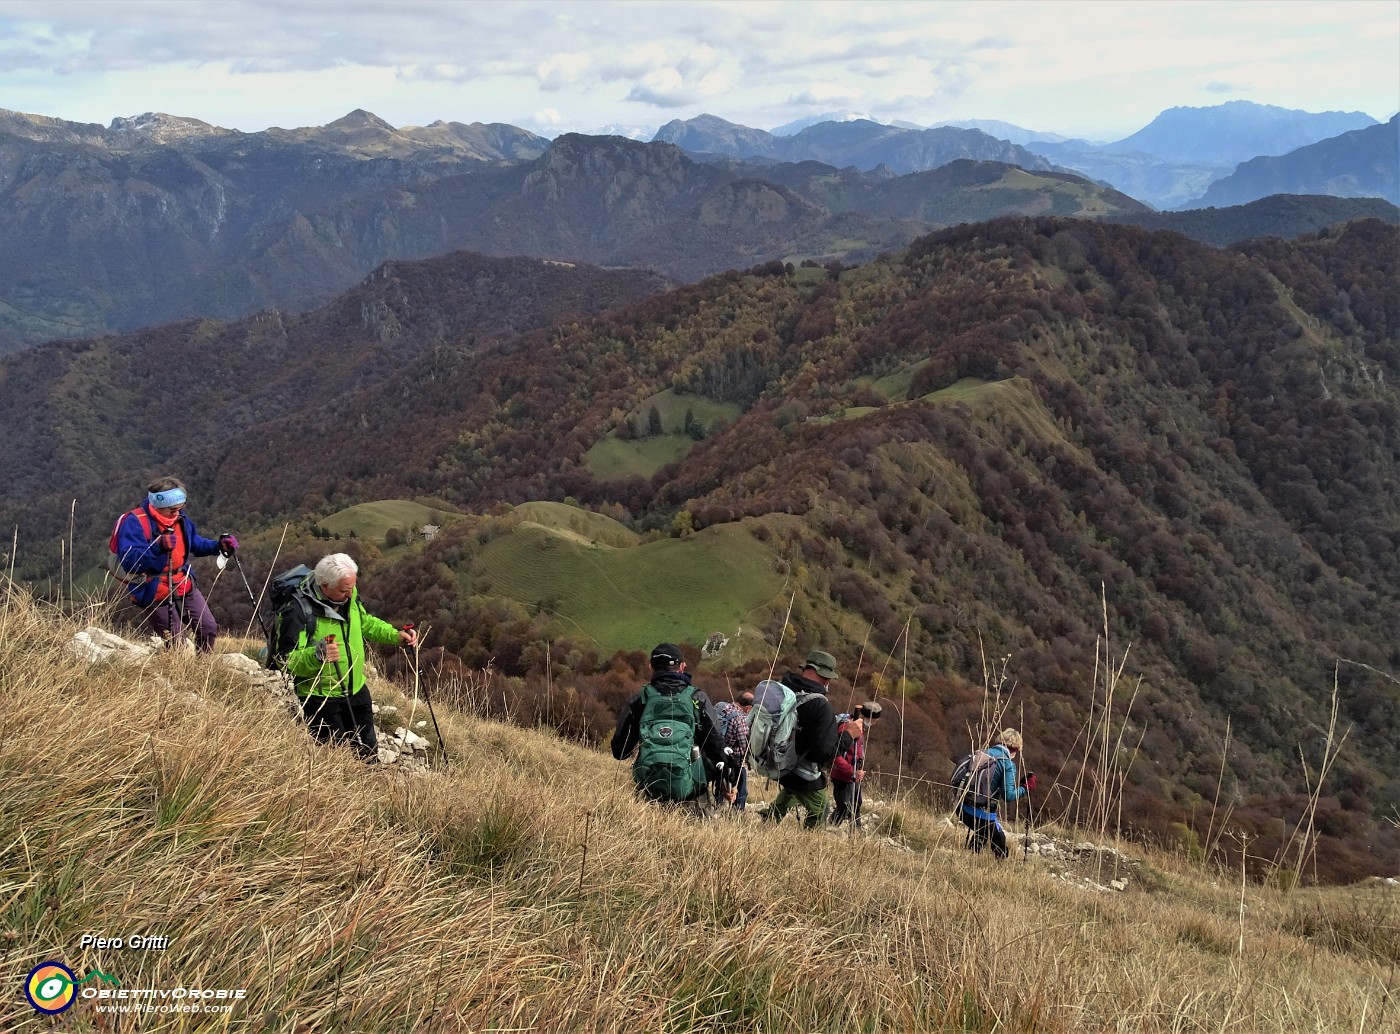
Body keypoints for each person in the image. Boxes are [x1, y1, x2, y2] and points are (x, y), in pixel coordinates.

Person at [283, 553, 417, 763]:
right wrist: (317, 655)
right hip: (321, 697)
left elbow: (365, 622)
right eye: (344, 590)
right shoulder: (298, 611)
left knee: (368, 751)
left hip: (355, 688)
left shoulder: (350, 597)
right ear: (324, 585)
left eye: (352, 587)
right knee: (334, 758)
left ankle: (371, 785)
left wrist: (395, 636)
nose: (349, 594)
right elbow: (286, 660)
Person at [110, 476, 238, 653]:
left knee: (208, 628)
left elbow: (193, 543)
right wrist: (158, 547)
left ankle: (203, 670)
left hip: (182, 582)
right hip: (153, 589)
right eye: (172, 510)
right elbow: (130, 562)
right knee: (177, 642)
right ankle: (177, 674)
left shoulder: (179, 518)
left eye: (180, 508)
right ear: (157, 505)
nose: (176, 513)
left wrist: (218, 546)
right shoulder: (135, 522)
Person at [611, 643, 731, 809]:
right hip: (691, 793)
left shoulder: (639, 699)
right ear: (682, 667)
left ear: (651, 666)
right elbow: (717, 747)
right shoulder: (698, 698)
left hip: (648, 793)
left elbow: (620, 752)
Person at [763, 649, 841, 829]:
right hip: (801, 770)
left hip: (776, 761)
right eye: (828, 676)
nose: (829, 681)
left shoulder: (783, 691)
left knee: (791, 791)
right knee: (820, 808)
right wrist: (846, 736)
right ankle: (809, 843)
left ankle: (768, 820)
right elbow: (821, 753)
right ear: (824, 675)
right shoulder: (820, 705)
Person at [958, 728, 1036, 858]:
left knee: (983, 832)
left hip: (962, 809)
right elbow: (1008, 796)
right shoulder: (1007, 764)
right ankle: (1001, 865)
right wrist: (1026, 788)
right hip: (982, 814)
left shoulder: (982, 753)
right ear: (1016, 749)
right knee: (999, 840)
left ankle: (970, 856)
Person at [829, 702, 881, 827]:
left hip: (854, 775)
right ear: (867, 717)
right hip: (842, 775)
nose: (874, 724)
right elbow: (835, 755)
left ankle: (855, 832)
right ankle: (831, 828)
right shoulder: (847, 727)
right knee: (844, 806)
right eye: (873, 721)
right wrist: (851, 771)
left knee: (857, 803)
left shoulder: (859, 726)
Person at [712, 690, 754, 810]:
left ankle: (718, 806)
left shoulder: (719, 706)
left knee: (720, 782)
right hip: (732, 758)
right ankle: (738, 811)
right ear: (748, 708)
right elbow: (744, 745)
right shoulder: (740, 720)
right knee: (741, 784)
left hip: (715, 754)